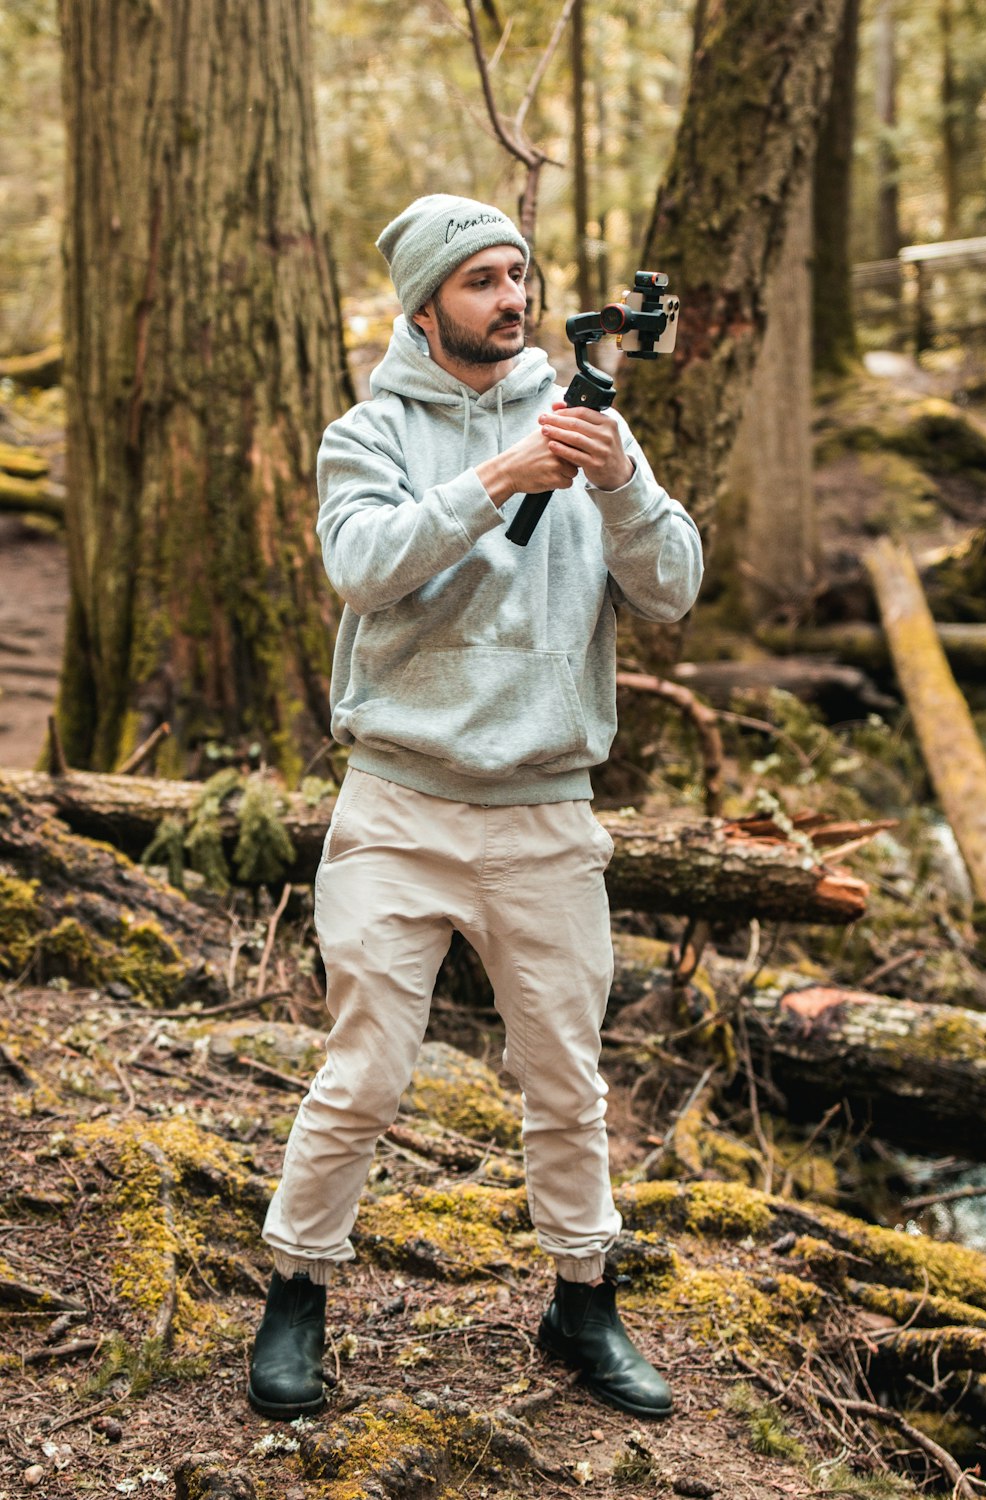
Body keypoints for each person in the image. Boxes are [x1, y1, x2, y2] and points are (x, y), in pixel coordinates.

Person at [247, 193, 703, 1423]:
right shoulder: (368, 432)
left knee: (564, 1074)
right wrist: (500, 476)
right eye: (482, 280)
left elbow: (670, 590)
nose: (511, 298)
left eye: (520, 274)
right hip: (396, 806)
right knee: (364, 1074)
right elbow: (363, 565)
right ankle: (296, 1291)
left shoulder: (589, 421)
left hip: (547, 813)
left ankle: (582, 1303)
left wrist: (618, 491)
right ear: (426, 303)